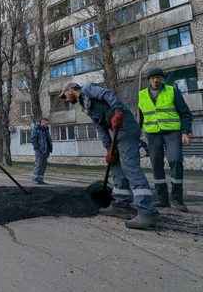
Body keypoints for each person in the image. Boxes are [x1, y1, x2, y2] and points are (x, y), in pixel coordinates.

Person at [59, 82, 158, 230]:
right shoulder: (86, 106)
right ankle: (121, 204)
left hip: (126, 127)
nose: (65, 99)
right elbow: (100, 128)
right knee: (116, 165)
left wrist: (118, 110)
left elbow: (108, 94)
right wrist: (109, 149)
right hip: (116, 133)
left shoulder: (87, 89)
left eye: (64, 95)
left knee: (130, 167)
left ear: (71, 89)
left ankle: (146, 211)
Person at [138, 67, 193, 212]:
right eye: (153, 78)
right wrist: (137, 136)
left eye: (158, 77)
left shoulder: (172, 90)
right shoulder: (141, 95)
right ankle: (162, 200)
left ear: (162, 79)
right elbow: (140, 118)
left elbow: (185, 113)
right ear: (149, 80)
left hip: (172, 132)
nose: (156, 80)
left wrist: (186, 132)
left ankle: (177, 199)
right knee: (156, 164)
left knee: (175, 160)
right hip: (152, 134)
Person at [31, 117, 53, 185]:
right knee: (38, 165)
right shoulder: (36, 129)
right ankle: (35, 179)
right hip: (39, 150)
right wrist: (37, 148)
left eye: (47, 123)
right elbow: (33, 139)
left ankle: (40, 179)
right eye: (45, 123)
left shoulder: (46, 129)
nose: (47, 124)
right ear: (42, 122)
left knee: (43, 165)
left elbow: (48, 140)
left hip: (46, 151)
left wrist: (50, 149)